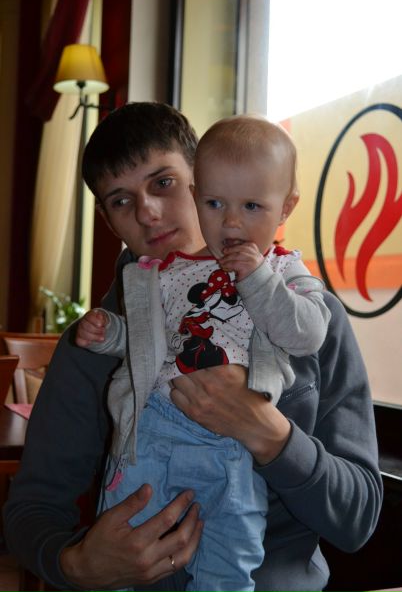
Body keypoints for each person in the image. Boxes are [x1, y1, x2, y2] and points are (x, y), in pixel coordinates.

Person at [3, 102, 382, 592]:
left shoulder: (310, 315)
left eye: (163, 182)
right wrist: (77, 564)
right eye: (121, 200)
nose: (147, 212)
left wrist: (271, 437)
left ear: (200, 181)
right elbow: (31, 509)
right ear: (108, 221)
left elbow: (358, 519)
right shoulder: (93, 341)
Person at [75, 115, 332, 591]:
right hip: (155, 428)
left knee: (232, 555)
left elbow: (308, 333)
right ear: (200, 196)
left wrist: (257, 278)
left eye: (251, 206)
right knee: (124, 538)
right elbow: (151, 343)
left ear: (286, 208)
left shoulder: (283, 270)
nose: (231, 221)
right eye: (215, 204)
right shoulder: (166, 273)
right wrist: (111, 334)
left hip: (231, 447)